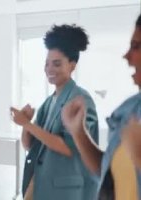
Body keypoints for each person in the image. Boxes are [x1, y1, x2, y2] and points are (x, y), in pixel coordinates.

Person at [11, 24, 99, 200]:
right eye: (47, 64)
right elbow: (30, 146)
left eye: (57, 64)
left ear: (72, 65)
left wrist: (27, 123)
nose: (49, 69)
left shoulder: (81, 99)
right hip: (41, 183)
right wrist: (25, 125)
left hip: (66, 190)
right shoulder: (49, 102)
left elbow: (69, 148)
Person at [62, 14, 141, 200]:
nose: (127, 56)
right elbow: (106, 171)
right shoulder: (128, 110)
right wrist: (78, 132)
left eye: (136, 47)